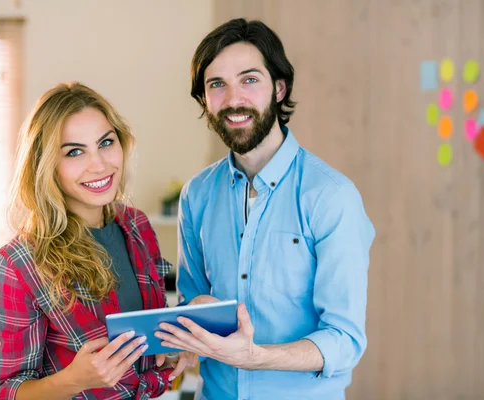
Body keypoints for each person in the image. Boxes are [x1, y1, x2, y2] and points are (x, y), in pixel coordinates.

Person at [154, 19, 375, 400]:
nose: (233, 99)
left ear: (279, 87)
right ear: (204, 99)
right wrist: (190, 324)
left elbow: (344, 340)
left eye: (249, 79)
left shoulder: (331, 196)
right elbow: (191, 306)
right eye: (216, 84)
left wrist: (255, 357)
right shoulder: (197, 194)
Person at [0, 82, 196, 400]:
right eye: (74, 151)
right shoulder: (17, 264)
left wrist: (176, 344)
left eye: (106, 143)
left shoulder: (136, 226)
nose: (99, 164)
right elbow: (9, 391)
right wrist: (73, 380)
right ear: (46, 167)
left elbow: (150, 337)